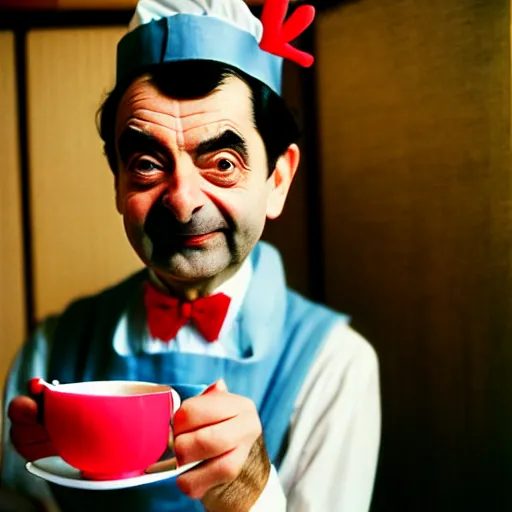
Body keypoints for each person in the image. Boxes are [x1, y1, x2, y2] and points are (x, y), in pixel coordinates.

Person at [1, 0, 381, 510]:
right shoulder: (52, 349)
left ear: (278, 179)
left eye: (222, 162)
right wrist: (49, 471)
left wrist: (253, 492)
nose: (183, 202)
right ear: (117, 183)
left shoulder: (336, 365)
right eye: (145, 164)